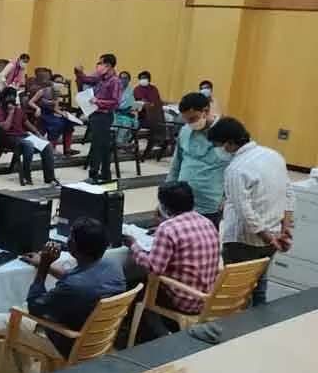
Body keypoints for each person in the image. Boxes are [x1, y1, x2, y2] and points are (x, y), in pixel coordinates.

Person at [0, 218, 125, 373]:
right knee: (15, 314)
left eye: (71, 237)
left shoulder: (74, 287)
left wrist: (43, 266)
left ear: (74, 246)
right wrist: (46, 265)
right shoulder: (112, 267)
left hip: (65, 341)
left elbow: (35, 306)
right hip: (96, 339)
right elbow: (76, 276)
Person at [208, 117, 295, 306]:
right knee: (260, 283)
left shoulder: (236, 169)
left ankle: (238, 329)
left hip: (243, 241)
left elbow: (244, 211)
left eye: (218, 146)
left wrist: (266, 236)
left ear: (230, 143)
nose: (218, 151)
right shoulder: (273, 155)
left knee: (237, 292)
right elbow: (288, 192)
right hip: (273, 234)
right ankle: (258, 325)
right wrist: (284, 229)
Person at [124, 182, 220, 342]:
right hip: (207, 296)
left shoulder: (167, 229)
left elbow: (153, 267)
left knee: (135, 287)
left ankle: (158, 336)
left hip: (184, 300)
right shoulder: (207, 222)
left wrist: (133, 245)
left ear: (164, 207)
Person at [167, 92, 230, 226]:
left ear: (205, 111)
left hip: (210, 204)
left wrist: (227, 199)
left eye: (193, 118)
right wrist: (167, 192)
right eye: (186, 119)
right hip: (182, 201)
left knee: (203, 243)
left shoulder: (226, 133)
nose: (190, 123)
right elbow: (176, 164)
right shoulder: (185, 130)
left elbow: (236, 170)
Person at [0, 89, 57, 186]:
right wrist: (11, 113)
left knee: (47, 146)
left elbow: (27, 123)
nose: (11, 99)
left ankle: (50, 178)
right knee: (28, 145)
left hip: (23, 135)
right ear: (4, 98)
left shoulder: (19, 110)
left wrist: (39, 135)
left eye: (13, 96)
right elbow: (5, 127)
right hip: (7, 138)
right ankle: (26, 176)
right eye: (9, 97)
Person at [75, 53, 122, 184]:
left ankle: (93, 175)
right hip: (95, 114)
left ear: (108, 65)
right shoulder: (101, 78)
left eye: (100, 63)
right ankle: (105, 174)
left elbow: (116, 102)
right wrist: (79, 72)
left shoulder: (115, 81)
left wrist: (98, 101)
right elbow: (86, 80)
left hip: (104, 116)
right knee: (103, 146)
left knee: (97, 146)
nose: (98, 66)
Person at [28, 75, 77, 156]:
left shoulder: (57, 93)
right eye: (57, 82)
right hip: (42, 114)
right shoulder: (42, 91)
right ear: (51, 82)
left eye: (61, 82)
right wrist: (37, 108)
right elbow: (31, 102)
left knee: (68, 123)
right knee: (57, 124)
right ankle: (52, 148)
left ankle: (67, 149)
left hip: (51, 114)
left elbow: (55, 109)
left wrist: (63, 113)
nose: (59, 84)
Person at [113, 71, 139, 144]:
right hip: (116, 114)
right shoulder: (115, 90)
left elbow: (132, 104)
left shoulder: (131, 91)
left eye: (125, 78)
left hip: (128, 113)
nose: (123, 80)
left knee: (134, 123)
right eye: (121, 78)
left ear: (129, 80)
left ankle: (125, 143)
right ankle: (118, 143)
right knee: (124, 123)